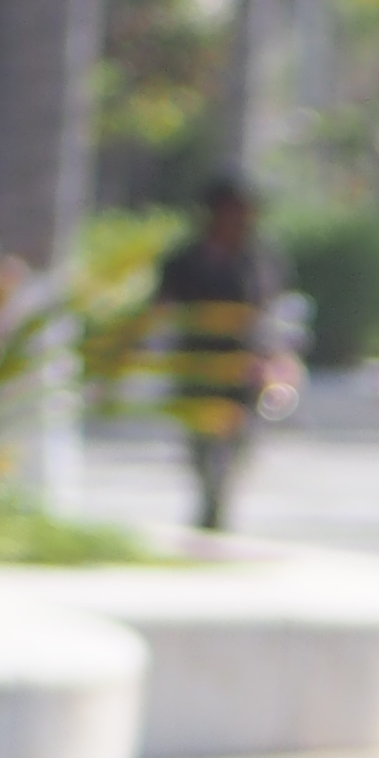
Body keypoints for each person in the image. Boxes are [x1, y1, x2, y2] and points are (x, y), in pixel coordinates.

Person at [151, 175, 284, 531]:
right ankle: (209, 501)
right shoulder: (185, 260)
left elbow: (271, 313)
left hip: (244, 368)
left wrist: (274, 360)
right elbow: (161, 307)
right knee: (200, 441)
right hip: (197, 366)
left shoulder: (259, 260)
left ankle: (219, 500)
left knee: (239, 440)